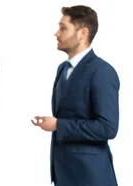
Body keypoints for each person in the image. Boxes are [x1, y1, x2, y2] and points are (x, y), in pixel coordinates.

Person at [31, 5, 119, 186]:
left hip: (91, 176)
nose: (56, 33)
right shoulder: (62, 69)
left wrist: (58, 125)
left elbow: (108, 128)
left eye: (63, 28)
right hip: (64, 174)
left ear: (82, 33)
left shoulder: (102, 71)